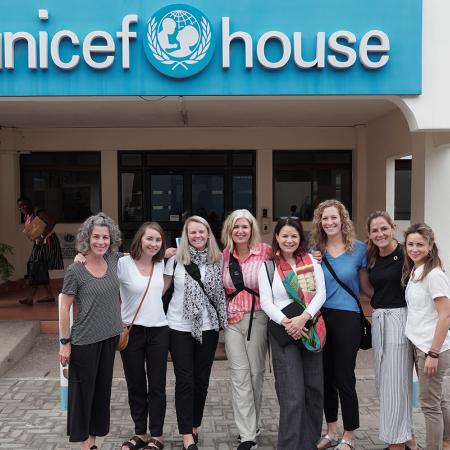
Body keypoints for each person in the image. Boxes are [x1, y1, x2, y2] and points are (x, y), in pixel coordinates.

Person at [258, 217, 327, 450]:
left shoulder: (311, 261)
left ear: (300, 238)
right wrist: (289, 323)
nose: (289, 240)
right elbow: (266, 302)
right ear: (276, 237)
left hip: (310, 329)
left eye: (294, 236)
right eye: (284, 235)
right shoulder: (268, 266)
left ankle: (310, 443)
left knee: (313, 390)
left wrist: (303, 319)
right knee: (292, 395)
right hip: (283, 333)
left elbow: (321, 294)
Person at [59, 213, 123, 450]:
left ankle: (93, 442)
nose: (100, 241)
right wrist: (65, 342)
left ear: (111, 239)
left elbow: (145, 255)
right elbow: (64, 308)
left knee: (101, 392)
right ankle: (84, 445)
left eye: (105, 237)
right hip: (84, 341)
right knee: (82, 394)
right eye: (96, 236)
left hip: (109, 338)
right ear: (87, 238)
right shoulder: (76, 269)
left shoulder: (115, 260)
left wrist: (170, 252)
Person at [164, 215, 228, 450]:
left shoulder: (219, 260)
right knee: (185, 381)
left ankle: (195, 426)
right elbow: (160, 288)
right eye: (193, 232)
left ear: (208, 234)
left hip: (209, 328)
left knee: (201, 381)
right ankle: (186, 434)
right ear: (186, 235)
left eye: (202, 232)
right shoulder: (174, 261)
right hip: (179, 327)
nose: (198, 236)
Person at [311, 199, 368, 450]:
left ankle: (349, 434)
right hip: (322, 317)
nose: (329, 222)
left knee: (345, 376)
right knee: (326, 377)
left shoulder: (359, 249)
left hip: (348, 318)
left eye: (334, 217)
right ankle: (331, 431)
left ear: (342, 220)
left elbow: (366, 288)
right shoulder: (315, 250)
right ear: (320, 223)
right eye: (325, 218)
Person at [221, 209, 271, 450]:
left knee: (255, 375)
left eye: (245, 226)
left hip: (259, 317)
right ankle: (247, 434)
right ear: (229, 230)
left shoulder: (265, 252)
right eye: (236, 227)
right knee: (239, 376)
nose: (240, 231)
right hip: (232, 321)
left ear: (252, 229)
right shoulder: (223, 256)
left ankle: (254, 423)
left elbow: (292, 259)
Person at [366, 211, 417, 450]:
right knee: (383, 383)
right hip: (379, 319)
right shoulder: (372, 256)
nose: (380, 234)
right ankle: (409, 439)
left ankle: (396, 444)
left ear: (393, 227)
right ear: (369, 234)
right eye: (375, 230)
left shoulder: (406, 253)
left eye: (383, 229)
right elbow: (370, 287)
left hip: (399, 319)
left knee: (395, 384)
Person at [118, 222, 170, 450]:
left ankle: (157, 435)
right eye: (149, 239)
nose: (153, 244)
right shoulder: (122, 263)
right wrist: (81, 256)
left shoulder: (163, 264)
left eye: (158, 240)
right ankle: (140, 432)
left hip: (159, 329)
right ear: (140, 239)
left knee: (157, 385)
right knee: (136, 384)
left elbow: (162, 290)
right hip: (131, 331)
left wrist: (172, 251)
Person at [402, 223, 450, 450]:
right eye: (410, 244)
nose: (414, 249)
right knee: (438, 400)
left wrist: (433, 353)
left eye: (420, 244)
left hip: (431, 348)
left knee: (429, 405)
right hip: (420, 344)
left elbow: (445, 316)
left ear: (430, 246)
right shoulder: (415, 270)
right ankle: (447, 442)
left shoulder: (434, 275)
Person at [17, 196, 64, 305]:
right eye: (20, 207)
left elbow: (52, 222)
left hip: (48, 242)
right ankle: (49, 295)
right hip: (39, 244)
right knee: (40, 267)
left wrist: (42, 236)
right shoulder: (27, 216)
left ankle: (30, 297)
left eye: (24, 205)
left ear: (29, 204)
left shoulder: (38, 212)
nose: (22, 207)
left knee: (37, 268)